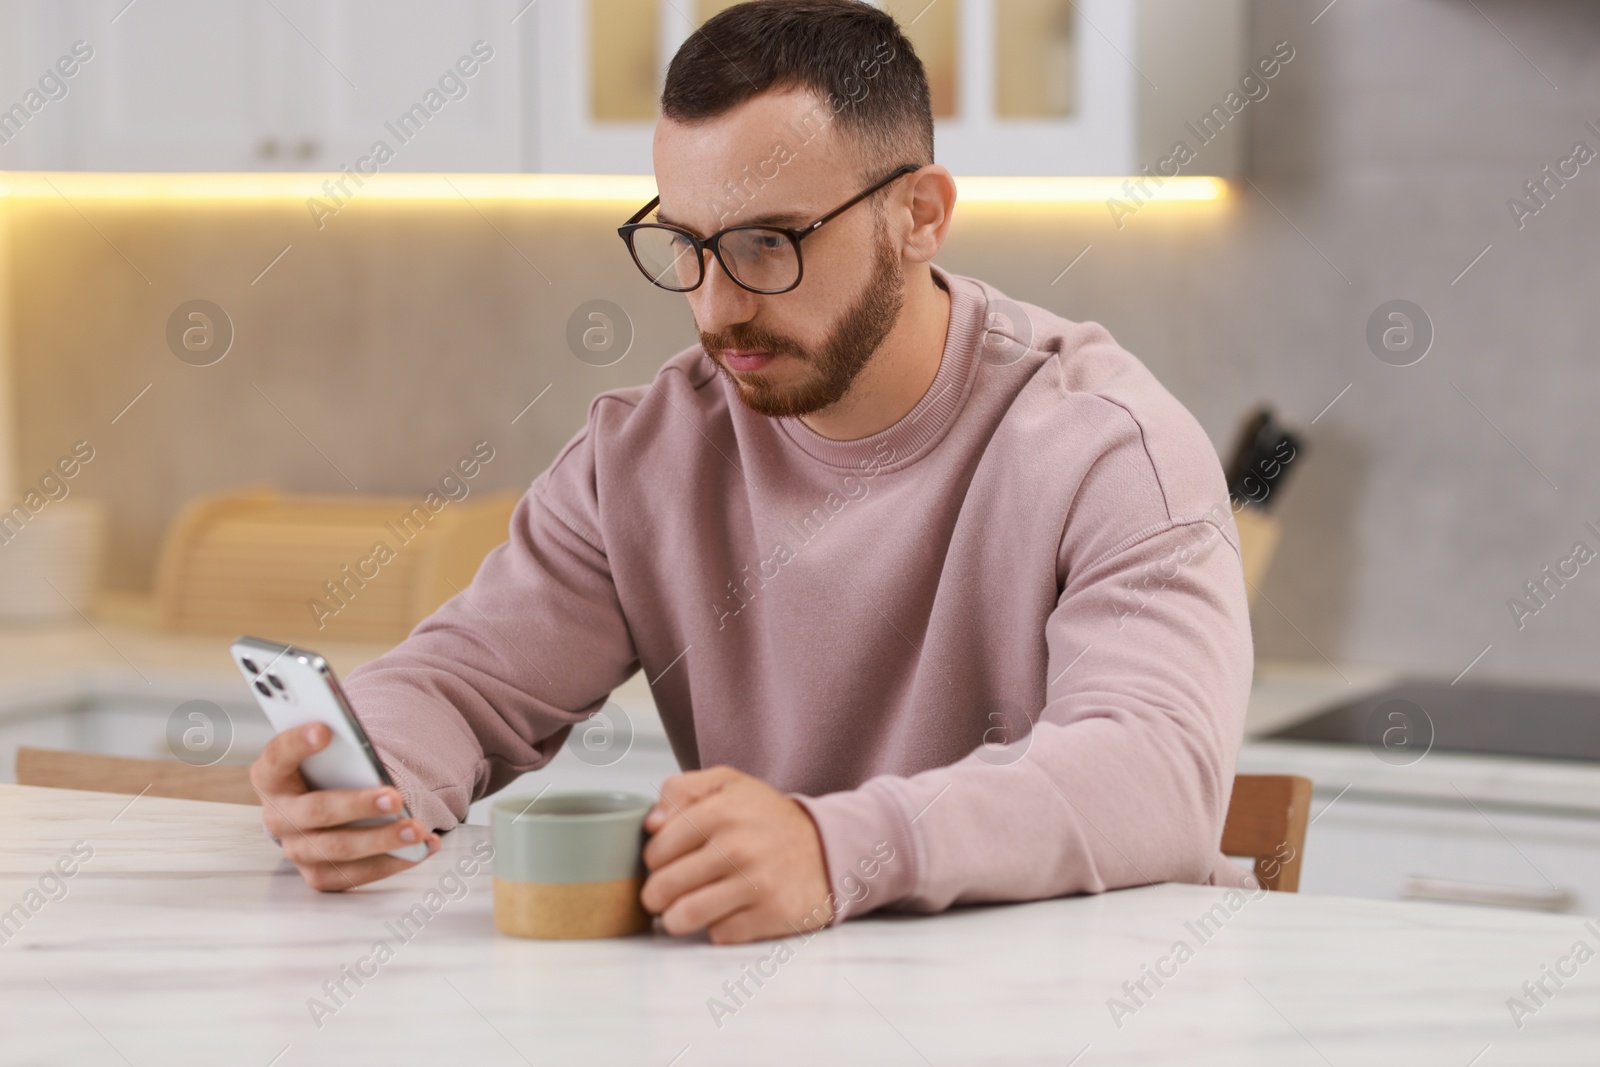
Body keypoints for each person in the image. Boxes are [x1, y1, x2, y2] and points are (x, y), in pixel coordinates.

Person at [250, 0, 1256, 945]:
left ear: (919, 214)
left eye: (766, 243)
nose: (717, 305)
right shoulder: (644, 455)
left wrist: (831, 847)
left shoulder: (1108, 447)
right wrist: (366, 773)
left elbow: (1153, 772)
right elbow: (463, 683)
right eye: (683, 245)